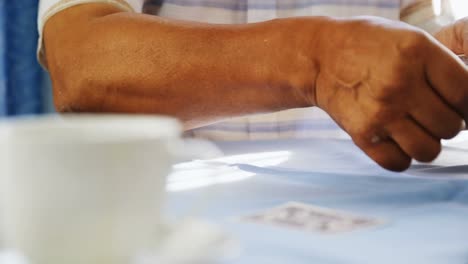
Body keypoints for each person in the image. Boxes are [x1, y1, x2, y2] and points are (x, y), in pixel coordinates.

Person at [39, 0, 468, 171]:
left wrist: (441, 54)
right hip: (173, 229)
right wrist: (313, 60)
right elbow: (83, 68)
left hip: (382, 220)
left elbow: (412, 19)